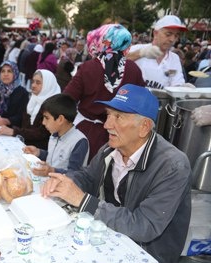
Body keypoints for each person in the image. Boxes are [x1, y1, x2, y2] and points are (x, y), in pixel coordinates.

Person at [41, 84, 191, 263]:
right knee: (52, 253)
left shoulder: (173, 166)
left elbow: (145, 226)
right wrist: (66, 182)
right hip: (111, 231)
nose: (106, 125)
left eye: (118, 117)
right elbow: (87, 176)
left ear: (144, 127)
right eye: (108, 114)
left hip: (148, 251)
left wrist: (83, 200)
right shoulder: (111, 149)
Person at [64, 24, 145, 161]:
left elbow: (67, 100)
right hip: (123, 134)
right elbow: (141, 103)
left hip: (88, 133)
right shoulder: (133, 69)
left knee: (84, 174)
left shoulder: (88, 68)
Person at [23, 93, 89, 176]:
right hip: (49, 181)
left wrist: (52, 171)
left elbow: (74, 174)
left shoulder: (79, 142)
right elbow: (53, 157)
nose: (43, 122)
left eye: (46, 118)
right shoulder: (54, 134)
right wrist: (39, 152)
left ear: (60, 119)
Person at [0, 69, 61, 150]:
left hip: (38, 150)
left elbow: (41, 133)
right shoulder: (34, 99)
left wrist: (14, 131)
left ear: (48, 85)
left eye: (38, 83)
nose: (33, 85)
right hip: (24, 142)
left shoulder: (52, 106)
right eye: (33, 81)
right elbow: (25, 124)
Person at [128, 15, 188, 89]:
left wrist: (182, 88)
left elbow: (176, 83)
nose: (172, 39)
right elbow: (117, 63)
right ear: (155, 33)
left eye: (176, 36)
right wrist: (140, 53)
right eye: (168, 34)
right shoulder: (137, 49)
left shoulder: (174, 59)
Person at [0, 60, 29, 127]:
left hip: (11, 130)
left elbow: (21, 117)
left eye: (9, 71)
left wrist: (6, 121)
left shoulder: (23, 93)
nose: (5, 74)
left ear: (15, 74)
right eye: (3, 71)